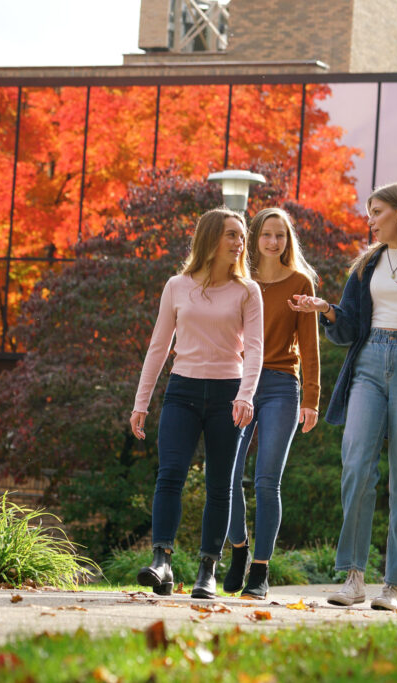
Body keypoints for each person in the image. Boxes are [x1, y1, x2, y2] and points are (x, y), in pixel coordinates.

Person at [290, 182, 397, 611]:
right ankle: (353, 578)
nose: (371, 221)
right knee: (356, 468)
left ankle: (394, 586)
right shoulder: (368, 262)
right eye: (370, 213)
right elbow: (348, 327)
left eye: (378, 211)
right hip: (368, 363)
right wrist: (327, 310)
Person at [130, 207, 263, 600]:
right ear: (210, 238)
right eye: (231, 234)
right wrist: (141, 403)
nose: (239, 242)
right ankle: (162, 560)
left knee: (220, 485)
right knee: (170, 474)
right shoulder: (177, 285)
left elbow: (255, 350)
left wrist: (246, 395)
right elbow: (158, 347)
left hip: (228, 395)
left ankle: (208, 569)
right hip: (182, 392)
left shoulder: (247, 291)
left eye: (242, 235)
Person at [221, 208, 321, 599]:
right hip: (239, 383)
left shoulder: (300, 282)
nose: (273, 241)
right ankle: (239, 549)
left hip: (281, 385)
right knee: (227, 476)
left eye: (280, 235)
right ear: (255, 238)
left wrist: (311, 399)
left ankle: (260, 570)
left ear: (287, 240)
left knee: (266, 481)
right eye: (266, 234)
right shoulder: (239, 281)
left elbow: (309, 346)